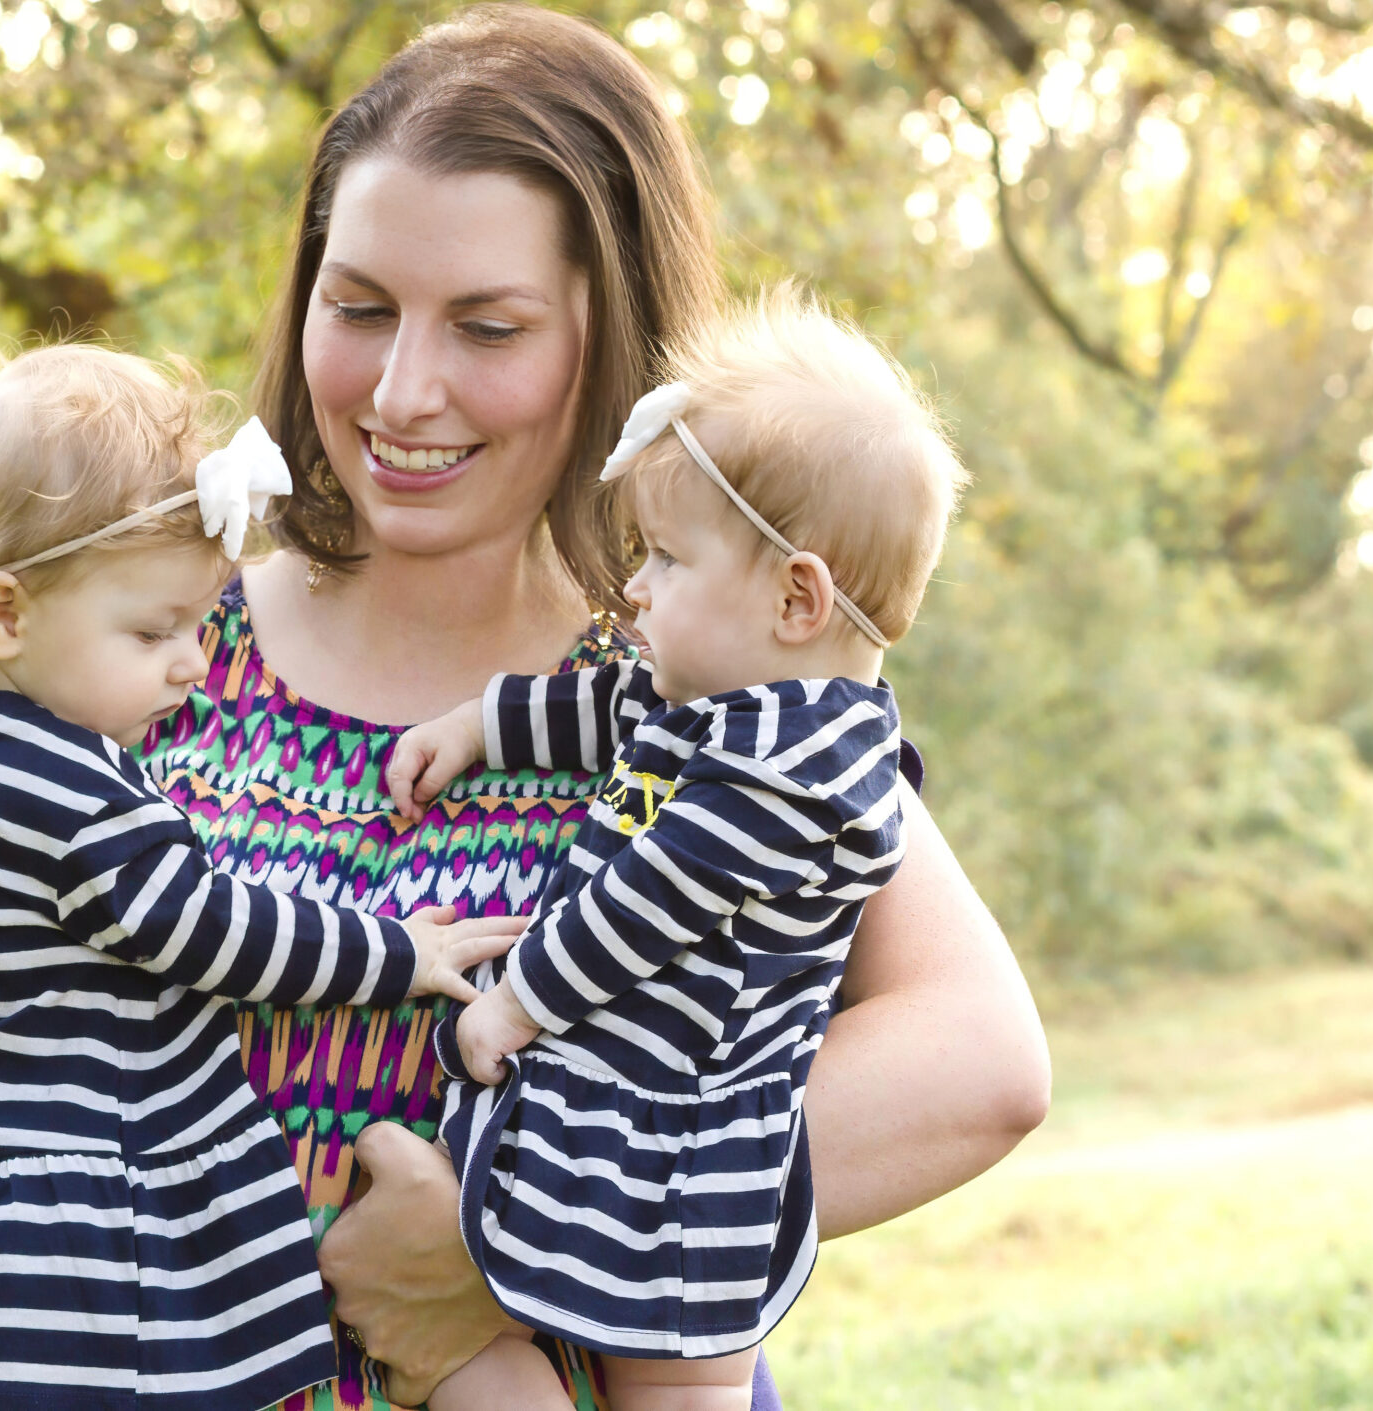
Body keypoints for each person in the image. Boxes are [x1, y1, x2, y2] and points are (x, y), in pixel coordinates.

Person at [0, 4, 1053, 1411]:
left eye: (489, 324)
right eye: (359, 307)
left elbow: (981, 1062)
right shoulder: (130, 646)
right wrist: (50, 1270)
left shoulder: (688, 697)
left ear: (612, 340)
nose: (404, 389)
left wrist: (508, 1259)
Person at [0, 343, 526, 1411]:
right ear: (5, 615)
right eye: (153, 630)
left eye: (195, 623)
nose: (194, 661)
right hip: (61, 1263)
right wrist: (399, 950)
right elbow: (219, 932)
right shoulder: (69, 791)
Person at [385, 293, 967, 1411]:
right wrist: (477, 726)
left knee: (671, 1382)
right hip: (633, 1110)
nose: (634, 587)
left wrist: (518, 1008)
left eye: (665, 558)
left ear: (798, 596)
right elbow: (602, 711)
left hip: (693, 1146)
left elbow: (645, 903)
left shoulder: (805, 767)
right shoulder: (722, 703)